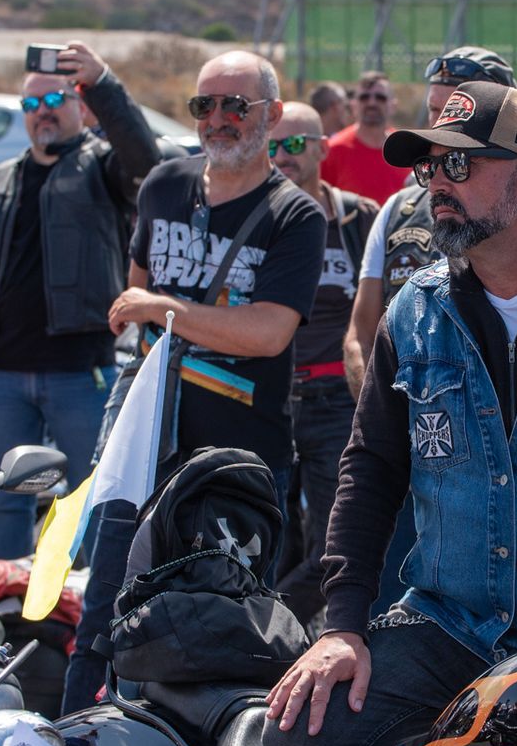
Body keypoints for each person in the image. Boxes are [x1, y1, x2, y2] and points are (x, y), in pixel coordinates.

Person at [260, 81, 517, 746]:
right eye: (429, 167)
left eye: (459, 165)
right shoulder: (414, 314)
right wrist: (344, 628)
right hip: (452, 631)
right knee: (297, 740)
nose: (434, 186)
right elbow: (370, 472)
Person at [61, 50, 326, 710]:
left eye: (235, 105)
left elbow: (268, 332)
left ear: (270, 113)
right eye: (203, 105)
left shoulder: (297, 216)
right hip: (144, 447)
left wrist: (167, 312)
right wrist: (163, 313)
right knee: (106, 612)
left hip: (236, 464)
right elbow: (134, 297)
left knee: (222, 628)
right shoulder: (163, 188)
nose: (219, 119)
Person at [0, 42, 159, 559]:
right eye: (30, 104)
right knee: (7, 499)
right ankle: (3, 606)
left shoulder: (101, 171)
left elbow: (146, 165)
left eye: (54, 101)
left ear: (78, 106)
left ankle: (85, 612)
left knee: (92, 495)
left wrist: (103, 84)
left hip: (78, 372)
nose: (42, 113)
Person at [345, 47, 517, 398]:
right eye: (435, 111)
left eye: (456, 115)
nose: (440, 128)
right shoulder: (398, 209)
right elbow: (359, 337)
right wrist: (386, 420)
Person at [265, 103, 379, 624]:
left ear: (321, 147)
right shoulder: (260, 216)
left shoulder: (359, 218)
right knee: (270, 535)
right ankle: (272, 647)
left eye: (293, 145)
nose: (281, 157)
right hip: (270, 397)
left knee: (334, 540)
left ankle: (261, 623)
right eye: (272, 146)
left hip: (338, 400)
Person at [318, 71, 404, 202]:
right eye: (364, 97)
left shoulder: (406, 149)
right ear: (353, 105)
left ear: (393, 105)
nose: (372, 103)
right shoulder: (332, 150)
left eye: (380, 97)